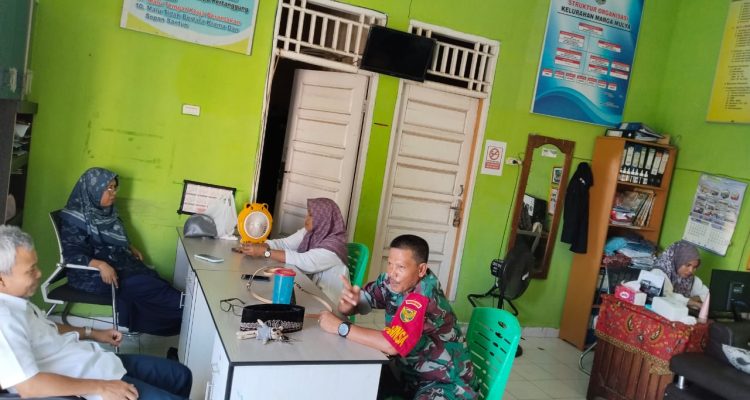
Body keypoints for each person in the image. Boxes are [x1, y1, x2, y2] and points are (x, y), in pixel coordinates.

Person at [0, 225, 192, 400]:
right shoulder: (4, 320)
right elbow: (29, 386)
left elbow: (47, 330)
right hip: (91, 386)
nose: (39, 273)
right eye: (30, 270)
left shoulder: (17, 302)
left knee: (181, 376)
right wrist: (102, 387)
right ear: (1, 280)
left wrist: (94, 333)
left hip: (97, 364)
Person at [318, 234, 476, 400]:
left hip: (445, 384)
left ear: (421, 270)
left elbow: (391, 345)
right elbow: (359, 303)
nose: (392, 273)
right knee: (350, 381)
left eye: (401, 267)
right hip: (409, 375)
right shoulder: (392, 281)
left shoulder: (423, 296)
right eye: (390, 264)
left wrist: (340, 327)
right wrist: (348, 304)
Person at [59, 167, 182, 336]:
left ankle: (182, 317)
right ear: (93, 189)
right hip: (90, 274)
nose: (114, 193)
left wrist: (129, 246)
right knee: (147, 285)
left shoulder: (106, 212)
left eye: (114, 188)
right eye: (108, 188)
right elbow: (71, 254)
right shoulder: (74, 218)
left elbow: (114, 236)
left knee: (152, 280)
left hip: (115, 263)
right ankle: (187, 309)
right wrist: (101, 265)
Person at [241, 197, 349, 302]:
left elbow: (304, 261)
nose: (306, 218)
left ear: (324, 219)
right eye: (308, 213)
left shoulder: (334, 247)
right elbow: (285, 244)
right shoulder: (310, 233)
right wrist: (257, 245)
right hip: (311, 292)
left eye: (311, 215)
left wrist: (265, 252)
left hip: (329, 302)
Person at [651, 240, 709, 308]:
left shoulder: (690, 278)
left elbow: (707, 295)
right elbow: (666, 296)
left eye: (694, 267)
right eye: (688, 265)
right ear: (677, 260)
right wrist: (691, 302)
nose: (691, 271)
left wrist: (691, 299)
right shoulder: (658, 273)